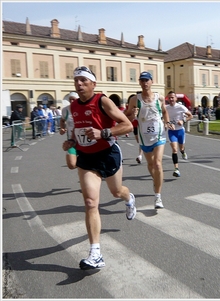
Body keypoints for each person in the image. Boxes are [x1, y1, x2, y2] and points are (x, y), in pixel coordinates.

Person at [62, 66, 136, 270]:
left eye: (84, 80)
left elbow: (127, 125)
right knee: (90, 202)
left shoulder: (102, 100)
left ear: (93, 84)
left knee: (116, 192)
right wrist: (71, 142)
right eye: (76, 80)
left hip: (108, 154)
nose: (79, 84)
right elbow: (78, 132)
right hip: (86, 158)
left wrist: (103, 132)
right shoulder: (73, 107)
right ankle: (96, 253)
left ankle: (129, 199)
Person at [124, 71, 174, 209]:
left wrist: (167, 122)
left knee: (158, 164)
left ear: (152, 82)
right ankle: (156, 179)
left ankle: (157, 196)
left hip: (158, 134)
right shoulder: (134, 99)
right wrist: (132, 116)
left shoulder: (160, 98)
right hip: (144, 136)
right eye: (142, 80)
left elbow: (164, 111)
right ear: (139, 82)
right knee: (151, 165)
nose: (145, 83)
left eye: (147, 80)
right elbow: (125, 116)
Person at [165, 91, 193, 177]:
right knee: (174, 149)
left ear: (176, 98)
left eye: (172, 97)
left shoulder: (181, 107)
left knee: (181, 148)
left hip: (180, 130)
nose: (171, 99)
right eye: (169, 97)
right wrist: (168, 124)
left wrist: (183, 120)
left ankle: (183, 152)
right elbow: (164, 119)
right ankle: (176, 169)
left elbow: (190, 116)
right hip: (172, 131)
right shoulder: (166, 108)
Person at [60, 92, 79, 169]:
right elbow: (62, 120)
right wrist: (62, 128)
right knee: (71, 165)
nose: (71, 101)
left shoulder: (84, 108)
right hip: (71, 141)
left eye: (73, 99)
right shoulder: (65, 110)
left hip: (84, 141)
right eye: (70, 99)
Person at [127, 94, 144, 164]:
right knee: (138, 141)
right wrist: (133, 115)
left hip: (141, 126)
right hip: (135, 127)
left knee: (141, 141)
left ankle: (140, 155)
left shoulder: (141, 107)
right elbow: (127, 118)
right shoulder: (129, 109)